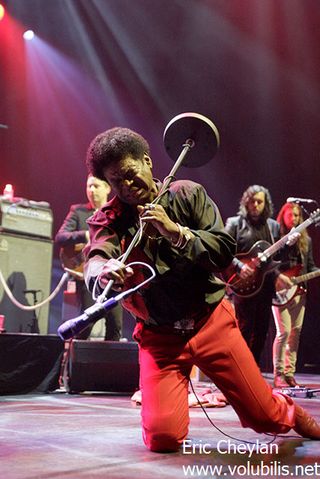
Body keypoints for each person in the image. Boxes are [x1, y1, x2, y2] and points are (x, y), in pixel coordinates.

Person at [82, 127, 319, 452]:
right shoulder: (109, 219)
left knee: (265, 419)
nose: (125, 186)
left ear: (148, 161)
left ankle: (290, 411)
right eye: (116, 181)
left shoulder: (187, 194)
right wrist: (103, 269)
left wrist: (176, 232)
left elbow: (223, 249)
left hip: (211, 323)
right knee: (162, 438)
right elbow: (96, 256)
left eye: (128, 174)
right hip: (159, 337)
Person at [224, 185, 292, 366]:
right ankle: (239, 369)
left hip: (265, 286)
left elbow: (278, 259)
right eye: (252, 201)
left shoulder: (273, 227)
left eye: (259, 202)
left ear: (265, 204)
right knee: (243, 329)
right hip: (242, 285)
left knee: (262, 331)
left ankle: (252, 370)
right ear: (245, 202)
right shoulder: (234, 223)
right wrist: (239, 266)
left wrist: (288, 245)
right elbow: (222, 251)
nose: (255, 205)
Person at [55, 174, 123, 341]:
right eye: (89, 186)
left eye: (96, 186)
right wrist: (86, 234)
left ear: (108, 188)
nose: (91, 190)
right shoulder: (78, 212)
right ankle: (74, 360)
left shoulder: (116, 213)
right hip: (88, 277)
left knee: (115, 325)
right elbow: (60, 237)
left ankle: (109, 365)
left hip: (112, 275)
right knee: (86, 323)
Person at [272, 201, 319, 388]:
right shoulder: (277, 237)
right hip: (280, 291)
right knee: (283, 333)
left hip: (300, 291)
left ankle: (290, 373)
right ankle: (278, 374)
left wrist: (315, 272)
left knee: (295, 334)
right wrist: (287, 244)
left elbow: (310, 265)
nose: (294, 218)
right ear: (283, 216)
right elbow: (271, 263)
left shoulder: (306, 241)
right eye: (290, 214)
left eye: (298, 215)